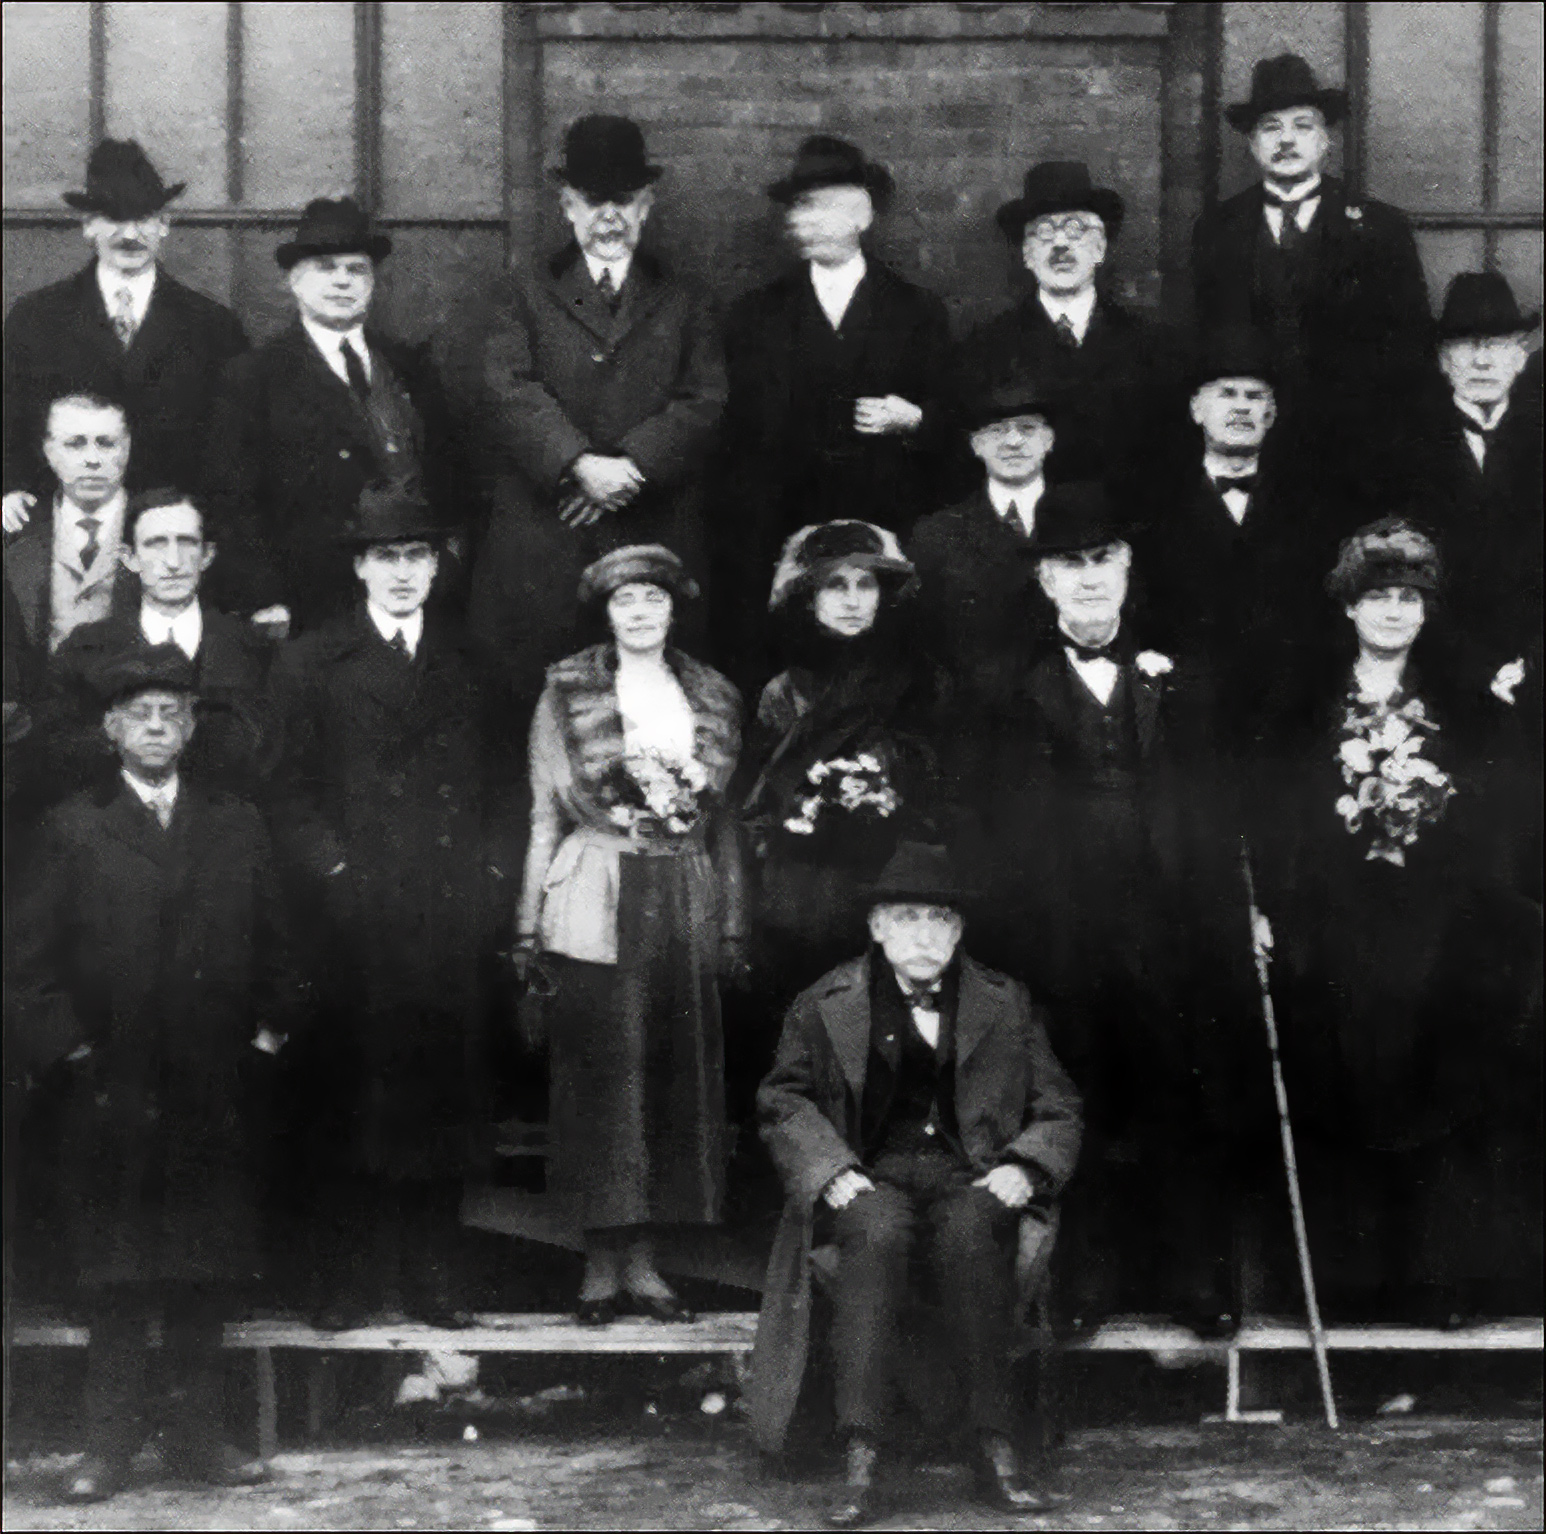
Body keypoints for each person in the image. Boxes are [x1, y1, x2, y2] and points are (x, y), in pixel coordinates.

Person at [6, 646, 297, 1502]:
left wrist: (270, 1039)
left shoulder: (236, 821)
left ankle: (201, 1442)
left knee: (203, 1270)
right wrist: (73, 1053)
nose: (159, 727)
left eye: (173, 713)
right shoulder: (71, 826)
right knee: (119, 1275)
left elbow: (284, 948)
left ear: (194, 727)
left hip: (213, 1085)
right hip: (111, 1091)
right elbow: (24, 967)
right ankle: (108, 1447)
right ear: (110, 730)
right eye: (141, 715)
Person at [1254, 518, 1537, 1325]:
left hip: (1440, 925)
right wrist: (1273, 907)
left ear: (1426, 610)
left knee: (1438, 1089)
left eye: (1407, 598)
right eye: (1377, 596)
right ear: (1348, 606)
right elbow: (1271, 815)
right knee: (1346, 1087)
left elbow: (1502, 813)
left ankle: (1439, 1284)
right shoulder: (1306, 703)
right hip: (1334, 926)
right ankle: (1351, 1289)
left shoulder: (1467, 702)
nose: (1392, 611)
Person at [748, 842, 1081, 1523]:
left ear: (959, 932)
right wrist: (828, 1168)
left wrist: (1025, 1164)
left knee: (972, 1237)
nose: (924, 934)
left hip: (972, 1173)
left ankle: (993, 1445)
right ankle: (862, 1455)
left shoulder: (1004, 1002)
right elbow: (783, 1100)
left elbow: (1059, 1106)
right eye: (906, 917)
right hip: (870, 1173)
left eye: (939, 918)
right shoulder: (825, 1002)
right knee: (873, 1236)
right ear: (877, 927)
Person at [974, 484, 1239, 1335]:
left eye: (1103, 562)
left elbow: (1217, 808)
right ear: (1045, 581)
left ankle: (1193, 1279)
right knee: (1073, 1096)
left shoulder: (1180, 675)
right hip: (1065, 930)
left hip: (1168, 925)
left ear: (1127, 570)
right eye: (1070, 565)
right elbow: (1002, 825)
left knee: (1180, 1093)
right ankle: (1084, 1282)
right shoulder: (1012, 688)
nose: (1089, 580)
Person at [268, 485, 518, 1329]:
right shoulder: (312, 661)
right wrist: (336, 871)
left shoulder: (473, 660)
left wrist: (489, 877)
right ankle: (348, 1282)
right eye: (386, 557)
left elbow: (506, 792)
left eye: (418, 556)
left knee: (441, 1098)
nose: (404, 573)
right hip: (352, 922)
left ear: (438, 564)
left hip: (448, 917)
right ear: (359, 566)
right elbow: (288, 792)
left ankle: (433, 1278)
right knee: (352, 1095)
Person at [514, 545, 744, 1322]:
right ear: (606, 614)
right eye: (625, 602)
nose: (640, 613)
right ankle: (596, 1266)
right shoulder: (567, 691)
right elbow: (546, 811)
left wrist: (731, 921)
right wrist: (529, 926)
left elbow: (726, 824)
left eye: (653, 599)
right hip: (597, 889)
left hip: (680, 891)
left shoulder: (711, 694)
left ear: (674, 609)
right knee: (601, 1080)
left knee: (666, 1081)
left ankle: (646, 1263)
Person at [468, 116, 725, 707]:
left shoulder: (686, 296)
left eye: (625, 201)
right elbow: (506, 386)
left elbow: (705, 396)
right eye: (593, 201)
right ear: (567, 205)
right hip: (550, 528)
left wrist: (630, 467)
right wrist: (579, 463)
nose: (609, 216)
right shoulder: (520, 291)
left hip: (651, 527)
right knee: (542, 695)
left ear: (646, 206)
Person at [718, 137, 952, 684]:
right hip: (787, 525)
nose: (802, 220)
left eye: (819, 205)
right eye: (798, 207)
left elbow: (951, 419)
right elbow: (737, 436)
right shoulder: (756, 315)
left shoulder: (916, 311)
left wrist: (912, 419)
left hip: (884, 524)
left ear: (862, 214)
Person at [736, 521, 945, 1125]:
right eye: (835, 586)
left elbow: (936, 782)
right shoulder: (784, 688)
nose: (853, 600)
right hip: (803, 884)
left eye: (866, 585)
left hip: (891, 873)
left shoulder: (917, 678)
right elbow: (755, 796)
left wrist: (885, 783)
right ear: (810, 597)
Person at [202, 198, 461, 637]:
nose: (342, 280)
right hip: (310, 604)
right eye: (326, 267)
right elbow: (233, 500)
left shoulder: (410, 366)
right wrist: (264, 597)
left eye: (356, 269)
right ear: (295, 282)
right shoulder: (253, 377)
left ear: (373, 282)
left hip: (411, 596)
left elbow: (448, 475)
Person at [1191, 54, 1432, 506]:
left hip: (1354, 459)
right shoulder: (1217, 230)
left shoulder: (1380, 228)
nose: (1286, 140)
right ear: (1251, 143)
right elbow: (1198, 343)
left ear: (1325, 141)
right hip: (1252, 459)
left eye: (1302, 126)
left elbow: (1411, 354)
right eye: (1270, 127)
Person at [2, 140, 247, 521]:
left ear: (164, 225)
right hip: (61, 526)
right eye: (115, 219)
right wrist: (9, 487)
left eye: (145, 218)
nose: (130, 234)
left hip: (174, 534)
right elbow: (9, 414)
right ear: (88, 226)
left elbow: (233, 443)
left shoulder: (213, 326)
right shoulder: (36, 318)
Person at [1137, 326, 1332, 759]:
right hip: (1190, 733)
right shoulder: (1153, 510)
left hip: (1292, 732)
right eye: (1227, 394)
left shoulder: (1312, 509)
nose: (1242, 407)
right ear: (1196, 409)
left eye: (1255, 396)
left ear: (1273, 413)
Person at [953, 161, 1180, 496]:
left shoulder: (1151, 345)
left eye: (1075, 230)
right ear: (1027, 255)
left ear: (1099, 249)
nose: (1060, 245)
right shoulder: (987, 346)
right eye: (1044, 232)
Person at [43, 490, 276, 802]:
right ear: (129, 557)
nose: (173, 562)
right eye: (156, 544)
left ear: (207, 555)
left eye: (186, 542)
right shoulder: (86, 650)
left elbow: (273, 761)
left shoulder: (254, 649)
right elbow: (55, 755)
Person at [908, 381, 1059, 734]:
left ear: (1049, 441)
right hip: (976, 731)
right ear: (976, 445)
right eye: (997, 430)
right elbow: (921, 642)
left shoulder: (1088, 519)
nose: (1012, 441)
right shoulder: (935, 534)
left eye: (1027, 428)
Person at [1416, 273, 1543, 680]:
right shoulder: (1402, 453)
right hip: (1437, 667)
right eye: (1467, 344)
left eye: (1498, 344)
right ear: (1441, 360)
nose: (1483, 360)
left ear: (1521, 358)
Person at [3, 393, 135, 656]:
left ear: (127, 447)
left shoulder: (159, 527)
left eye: (107, 443)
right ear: (49, 451)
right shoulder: (16, 529)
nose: (92, 459)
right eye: (75, 444)